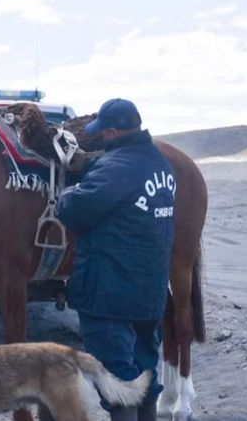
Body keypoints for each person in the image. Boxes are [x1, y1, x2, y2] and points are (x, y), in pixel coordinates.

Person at [56, 98, 175, 421]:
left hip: (109, 294)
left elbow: (74, 210)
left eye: (101, 133)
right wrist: (93, 165)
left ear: (111, 131)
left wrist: (65, 192)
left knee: (116, 380)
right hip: (149, 294)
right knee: (145, 371)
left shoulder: (117, 169)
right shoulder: (159, 164)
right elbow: (123, 183)